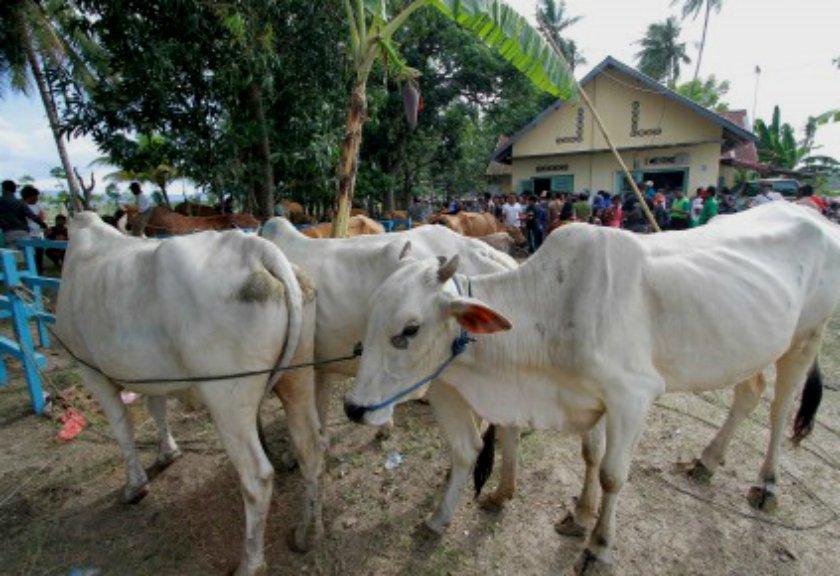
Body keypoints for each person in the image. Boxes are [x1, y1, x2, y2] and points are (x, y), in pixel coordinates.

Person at [0, 180, 47, 245]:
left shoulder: (2, 202)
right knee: (28, 253)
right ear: (14, 190)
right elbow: (32, 216)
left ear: (3, 189)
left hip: (7, 233)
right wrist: (43, 224)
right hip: (22, 232)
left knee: (13, 253)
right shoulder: (19, 203)